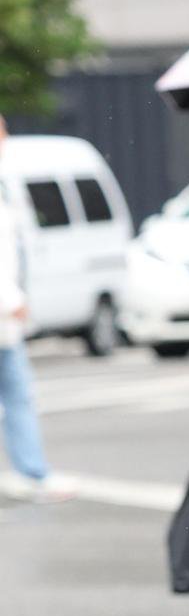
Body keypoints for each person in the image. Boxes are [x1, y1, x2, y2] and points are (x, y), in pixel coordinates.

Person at [0, 115, 65, 500]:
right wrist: (11, 298)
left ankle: (34, 471)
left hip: (6, 317)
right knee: (18, 393)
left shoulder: (5, 184)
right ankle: (34, 472)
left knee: (19, 392)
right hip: (4, 309)